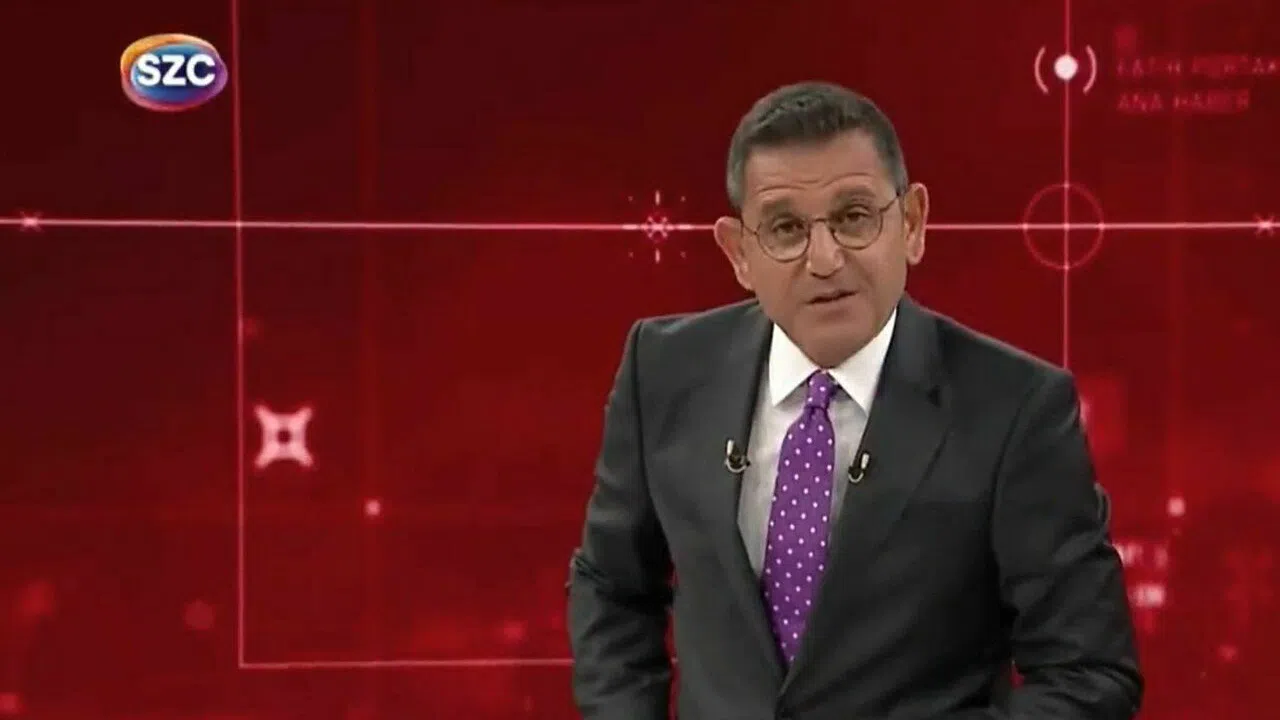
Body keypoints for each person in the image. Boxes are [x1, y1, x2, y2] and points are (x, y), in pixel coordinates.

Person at [566, 81, 1142, 719]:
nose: (825, 259)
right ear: (739, 253)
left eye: (854, 217)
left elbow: (1088, 674)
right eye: (786, 228)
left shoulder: (1017, 409)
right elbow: (612, 588)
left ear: (912, 223)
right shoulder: (664, 371)